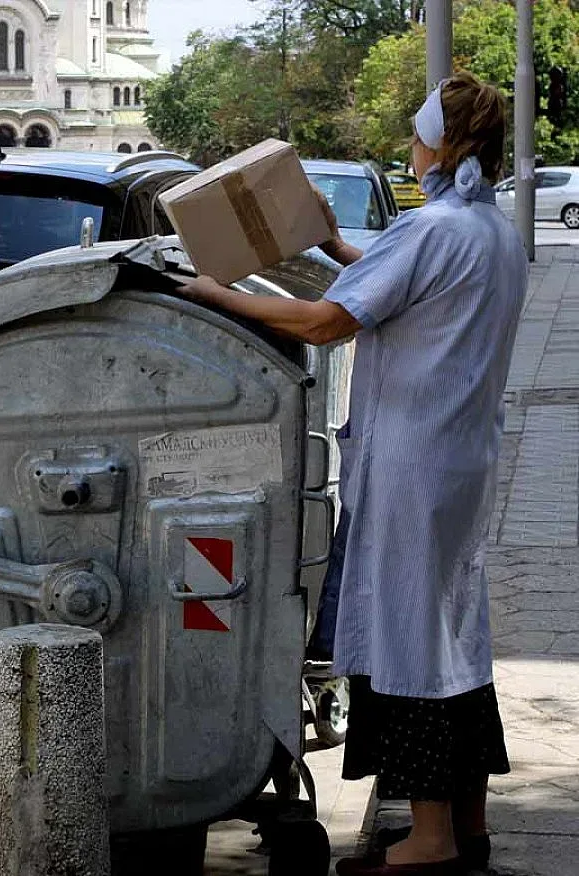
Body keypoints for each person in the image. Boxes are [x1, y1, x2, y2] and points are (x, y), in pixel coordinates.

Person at [176, 71, 526, 876]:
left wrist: (215, 293)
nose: (411, 147)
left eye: (417, 135)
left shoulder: (432, 228)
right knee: (452, 637)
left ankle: (431, 838)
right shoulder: (488, 229)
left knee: (409, 642)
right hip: (460, 462)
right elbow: (411, 288)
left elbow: (326, 321)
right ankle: (467, 825)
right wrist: (337, 247)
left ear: (441, 145)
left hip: (413, 462)